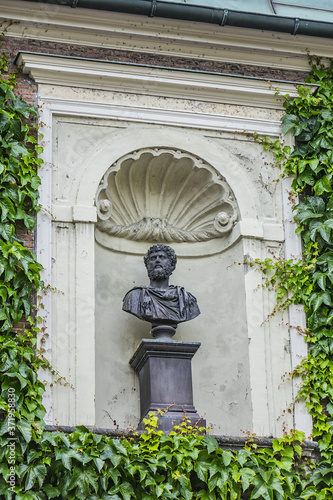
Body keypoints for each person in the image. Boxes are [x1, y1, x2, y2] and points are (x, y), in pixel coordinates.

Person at [122, 244, 200, 327]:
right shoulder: (134, 296)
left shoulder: (186, 299)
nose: (157, 260)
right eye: (153, 258)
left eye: (162, 257)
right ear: (147, 266)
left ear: (172, 265)